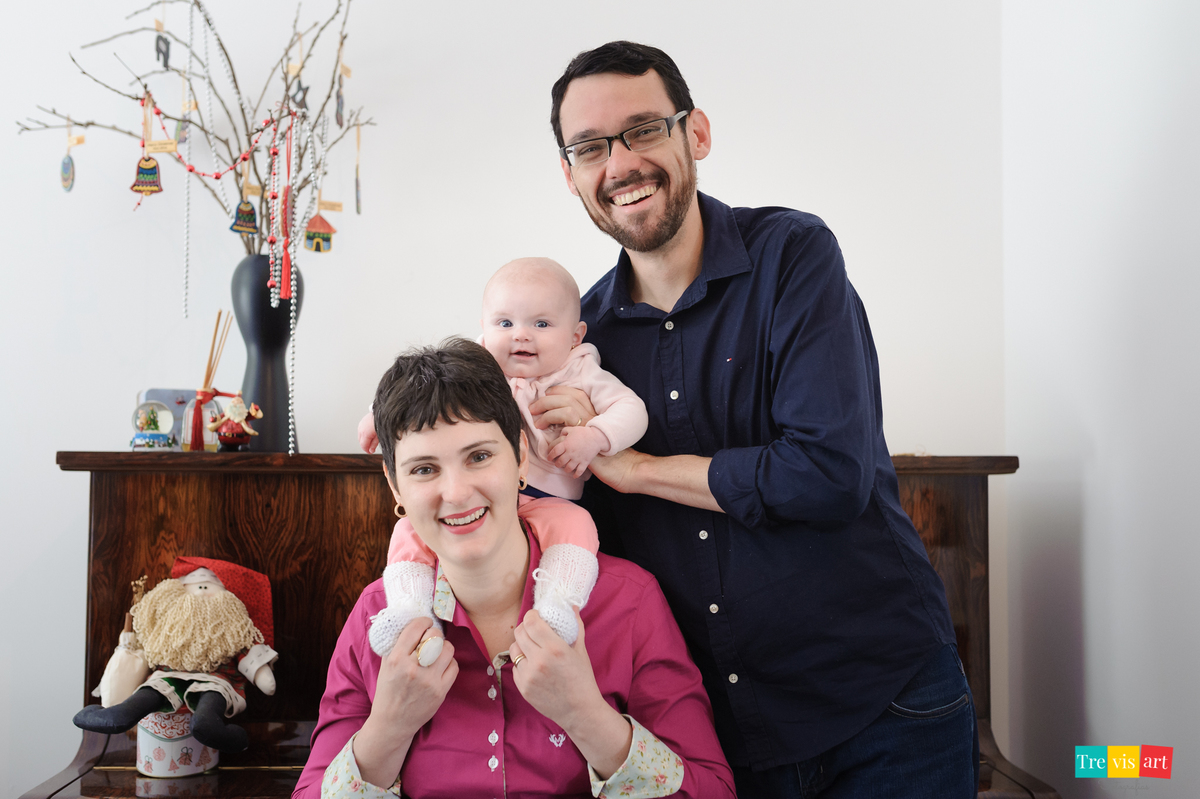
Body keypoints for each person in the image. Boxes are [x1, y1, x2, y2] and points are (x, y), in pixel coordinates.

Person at [536, 41, 978, 797]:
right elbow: (533, 487)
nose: (621, 164)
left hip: (884, 708)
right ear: (571, 174)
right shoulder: (575, 341)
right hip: (714, 736)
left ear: (695, 134)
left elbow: (829, 474)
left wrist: (638, 469)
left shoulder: (794, 254)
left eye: (644, 130)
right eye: (591, 147)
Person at [296, 339, 733, 799]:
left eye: (479, 456)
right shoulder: (375, 617)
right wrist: (388, 727)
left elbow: (714, 791)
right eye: (424, 469)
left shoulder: (628, 601)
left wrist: (587, 715)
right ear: (394, 484)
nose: (457, 492)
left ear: (521, 456)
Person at [358, 258, 648, 656]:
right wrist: (377, 415)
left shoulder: (580, 371)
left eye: (541, 324)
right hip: (492, 496)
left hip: (550, 500)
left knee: (577, 525)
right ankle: (410, 611)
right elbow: (420, 392)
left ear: (576, 335)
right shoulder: (483, 366)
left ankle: (556, 606)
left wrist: (595, 436)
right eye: (505, 324)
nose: (521, 337)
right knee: (407, 531)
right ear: (485, 327)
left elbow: (633, 411)